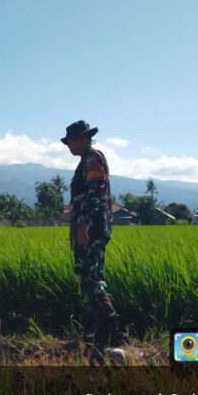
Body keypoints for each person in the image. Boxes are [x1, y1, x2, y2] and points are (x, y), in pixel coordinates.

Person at [61, 120, 122, 355]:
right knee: (91, 277)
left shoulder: (93, 159)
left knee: (90, 278)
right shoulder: (86, 160)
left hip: (92, 228)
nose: (69, 146)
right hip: (90, 227)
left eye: (71, 141)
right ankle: (102, 331)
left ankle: (110, 327)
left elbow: (96, 193)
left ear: (83, 139)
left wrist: (85, 224)